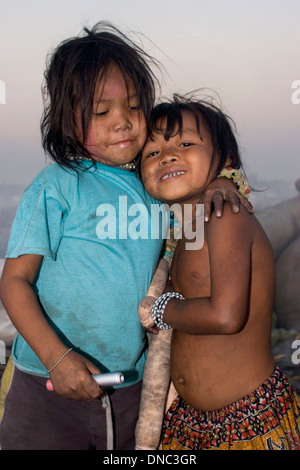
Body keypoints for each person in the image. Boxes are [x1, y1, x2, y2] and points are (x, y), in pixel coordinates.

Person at [0, 23, 251, 451]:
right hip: (47, 386)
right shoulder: (58, 184)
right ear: (67, 119)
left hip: (127, 389)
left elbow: (198, 199)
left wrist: (225, 181)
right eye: (101, 112)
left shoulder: (154, 184)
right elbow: (14, 281)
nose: (123, 123)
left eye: (134, 107)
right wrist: (57, 360)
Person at [140, 94, 300, 450]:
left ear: (225, 161)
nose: (167, 156)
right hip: (191, 423)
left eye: (185, 143)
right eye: (151, 153)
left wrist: (162, 310)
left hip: (249, 423)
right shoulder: (182, 232)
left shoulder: (224, 215)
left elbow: (225, 315)